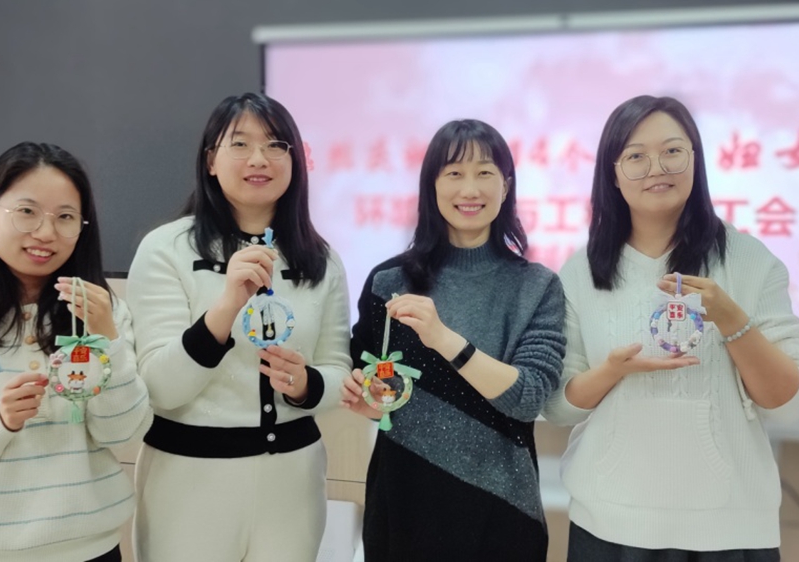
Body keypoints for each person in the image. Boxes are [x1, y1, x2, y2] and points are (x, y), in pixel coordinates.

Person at [542, 95, 799, 561]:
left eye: (672, 151)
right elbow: (558, 407)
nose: (656, 168)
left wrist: (730, 317)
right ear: (612, 173)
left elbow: (781, 393)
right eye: (636, 156)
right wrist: (613, 371)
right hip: (609, 522)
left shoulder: (750, 260)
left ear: (695, 159)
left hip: (730, 527)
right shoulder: (582, 271)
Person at [0, 142, 153, 562]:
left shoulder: (104, 316)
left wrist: (107, 339)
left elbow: (125, 436)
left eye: (65, 217)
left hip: (87, 551)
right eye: (27, 211)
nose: (46, 233)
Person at [127, 93, 352, 562]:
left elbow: (338, 372)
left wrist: (305, 384)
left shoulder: (321, 260)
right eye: (240, 144)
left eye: (275, 145)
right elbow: (160, 388)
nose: (259, 159)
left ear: (295, 161)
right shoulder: (166, 248)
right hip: (189, 481)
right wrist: (227, 305)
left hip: (292, 483)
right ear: (211, 161)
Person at [340, 119, 566, 561]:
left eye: (485, 173)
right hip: (403, 506)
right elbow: (374, 387)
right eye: (454, 173)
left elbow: (527, 399)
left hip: (502, 514)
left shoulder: (537, 287)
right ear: (432, 185)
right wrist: (368, 400)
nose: (470, 189)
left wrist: (443, 338)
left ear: (506, 185)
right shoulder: (389, 282)